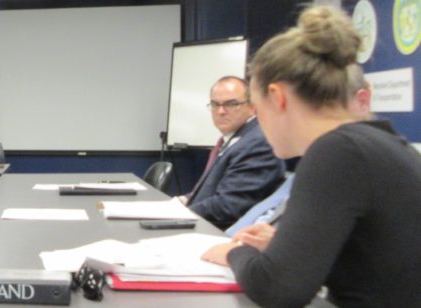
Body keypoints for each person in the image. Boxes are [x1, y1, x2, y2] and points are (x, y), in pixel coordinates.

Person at [202, 6, 421, 307]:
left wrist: (233, 252)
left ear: (277, 97)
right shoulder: (378, 143)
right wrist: (284, 246)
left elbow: (277, 289)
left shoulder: (337, 152)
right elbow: (375, 264)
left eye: (258, 110)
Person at [225, 63, 373, 236]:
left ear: (278, 98)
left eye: (257, 109)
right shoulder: (317, 162)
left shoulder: (339, 165)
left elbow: (289, 256)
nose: (257, 124)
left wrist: (240, 251)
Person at [178, 76, 285, 230]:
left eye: (232, 104)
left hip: (219, 235)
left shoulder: (258, 143)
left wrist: (180, 214)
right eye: (215, 104)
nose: (220, 111)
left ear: (252, 106)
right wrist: (183, 200)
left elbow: (229, 205)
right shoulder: (237, 138)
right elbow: (212, 191)